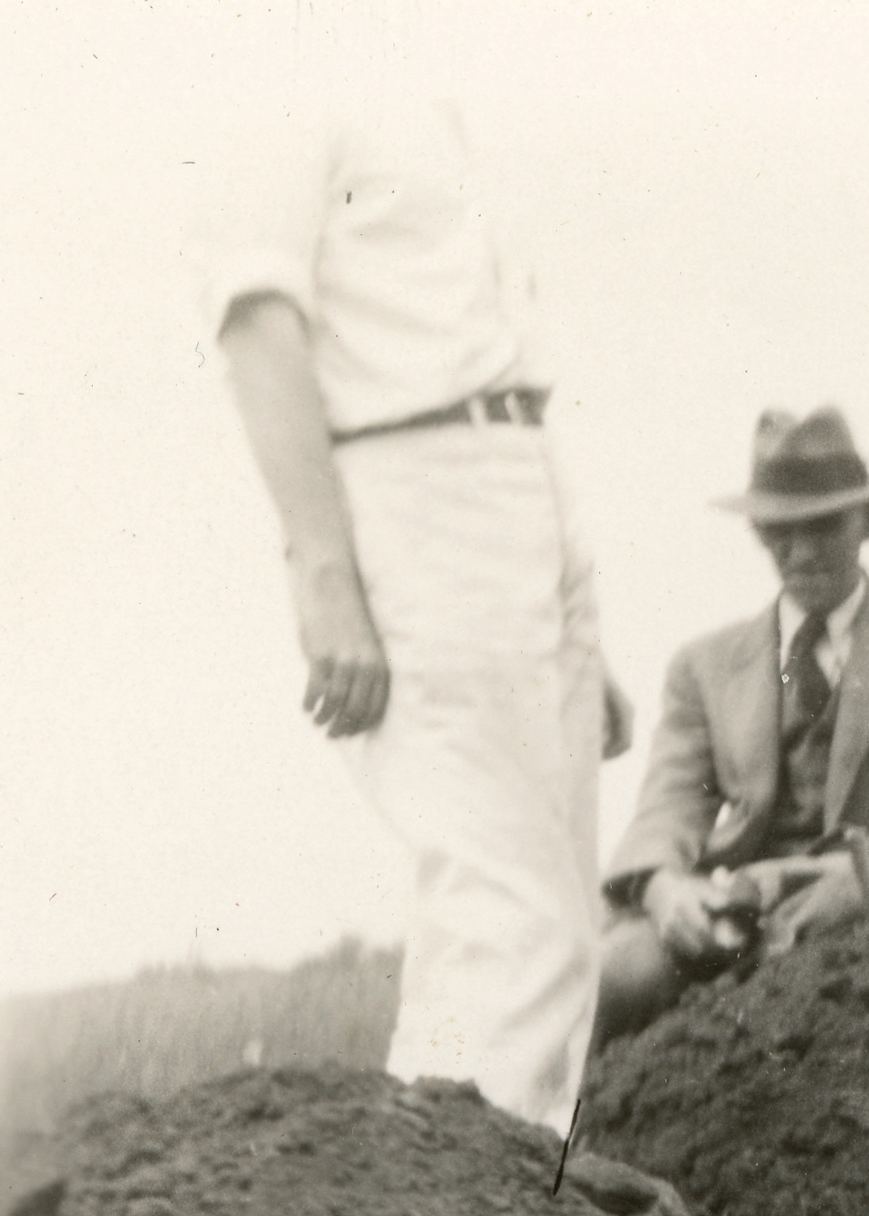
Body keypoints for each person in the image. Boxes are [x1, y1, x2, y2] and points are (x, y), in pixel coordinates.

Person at [198, 95, 633, 1136]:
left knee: (513, 922)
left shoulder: (438, 93)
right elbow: (258, 321)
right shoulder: (287, 70)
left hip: (518, 493)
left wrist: (568, 621)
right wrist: (324, 573)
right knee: (521, 928)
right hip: (411, 496)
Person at [596, 409, 869, 1040]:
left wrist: (783, 882)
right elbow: (669, 809)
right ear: (756, 531)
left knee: (837, 928)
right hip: (729, 915)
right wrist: (665, 890)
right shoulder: (704, 668)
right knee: (619, 972)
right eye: (780, 531)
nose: (802, 551)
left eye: (825, 525)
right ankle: (564, 1134)